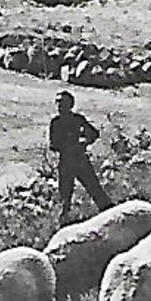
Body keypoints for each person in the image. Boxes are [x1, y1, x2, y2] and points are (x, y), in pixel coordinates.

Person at [49, 90, 114, 224]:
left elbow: (94, 133)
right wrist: (66, 143)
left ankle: (112, 218)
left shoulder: (77, 119)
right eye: (59, 104)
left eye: (63, 104)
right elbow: (54, 144)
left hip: (80, 160)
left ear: (70, 105)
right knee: (64, 199)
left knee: (96, 191)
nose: (60, 107)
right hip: (66, 162)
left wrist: (84, 141)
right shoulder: (56, 123)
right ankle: (63, 226)